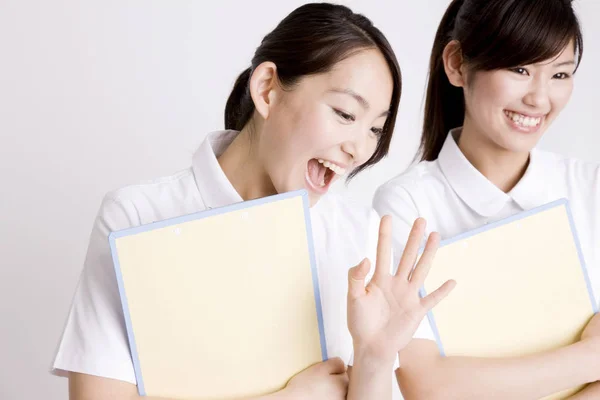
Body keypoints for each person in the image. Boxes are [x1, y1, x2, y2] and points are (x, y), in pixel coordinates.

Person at [52, 3, 454, 399]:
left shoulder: (357, 236)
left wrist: (375, 357)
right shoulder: (136, 218)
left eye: (376, 129)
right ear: (266, 90)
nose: (358, 148)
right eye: (346, 114)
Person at [374, 0, 600, 398]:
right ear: (457, 64)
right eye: (520, 69)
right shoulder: (406, 206)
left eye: (560, 74)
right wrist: (589, 358)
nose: (540, 98)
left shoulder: (590, 188)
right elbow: (425, 385)